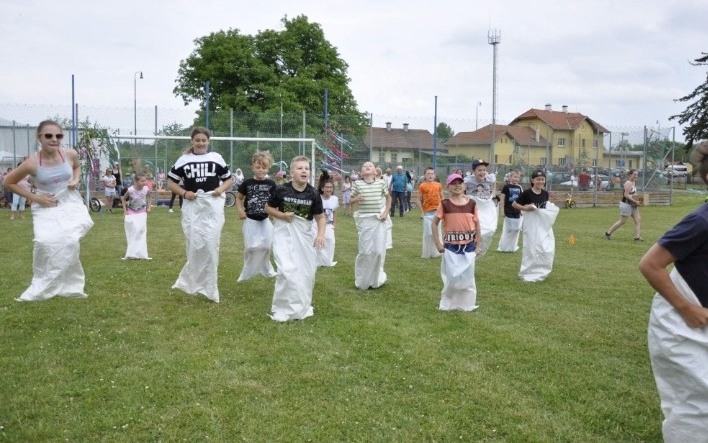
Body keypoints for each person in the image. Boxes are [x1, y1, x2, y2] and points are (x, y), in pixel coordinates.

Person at [638, 141, 708, 442]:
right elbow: (650, 264)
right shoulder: (701, 220)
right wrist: (686, 308)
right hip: (680, 324)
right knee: (696, 400)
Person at [4, 120, 93, 301]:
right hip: (45, 204)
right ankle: (45, 279)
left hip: (69, 201)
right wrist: (35, 198)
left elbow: (76, 167)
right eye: (49, 135)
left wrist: (75, 180)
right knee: (44, 241)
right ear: (40, 138)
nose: (54, 139)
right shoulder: (32, 163)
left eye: (58, 136)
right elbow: (8, 182)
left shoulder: (69, 154)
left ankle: (69, 282)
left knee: (70, 239)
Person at [167, 127, 233, 303]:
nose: (201, 143)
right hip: (192, 206)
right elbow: (171, 182)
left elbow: (229, 179)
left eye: (204, 140)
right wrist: (184, 193)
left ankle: (210, 286)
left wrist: (220, 189)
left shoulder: (216, 158)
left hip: (212, 206)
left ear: (208, 141)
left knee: (211, 244)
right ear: (192, 141)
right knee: (195, 245)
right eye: (197, 140)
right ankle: (193, 282)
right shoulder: (184, 160)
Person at [266, 156, 325, 322]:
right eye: (300, 168)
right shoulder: (281, 190)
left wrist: (320, 235)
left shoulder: (313, 194)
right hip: (284, 235)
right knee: (286, 271)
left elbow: (320, 217)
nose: (304, 170)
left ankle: (301, 305)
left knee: (306, 273)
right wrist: (282, 215)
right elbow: (268, 207)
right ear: (292, 173)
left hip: (305, 238)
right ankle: (282, 307)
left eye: (306, 168)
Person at [432, 173, 481, 311]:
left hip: (469, 246)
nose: (457, 185)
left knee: (467, 278)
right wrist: (438, 243)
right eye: (454, 183)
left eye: (460, 182)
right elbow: (434, 223)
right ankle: (449, 302)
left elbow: (477, 225)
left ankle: (466, 303)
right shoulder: (445, 204)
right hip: (451, 247)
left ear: (464, 186)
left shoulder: (472, 204)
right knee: (452, 277)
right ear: (448, 187)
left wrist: (478, 245)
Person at [236, 150, 277, 282]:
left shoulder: (271, 184)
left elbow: (275, 201)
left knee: (266, 246)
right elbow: (239, 198)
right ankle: (247, 272)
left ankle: (267, 269)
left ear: (268, 167)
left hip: (265, 219)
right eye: (258, 167)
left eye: (264, 167)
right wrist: (241, 210)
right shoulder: (247, 184)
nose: (261, 170)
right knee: (250, 247)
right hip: (251, 219)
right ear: (252, 168)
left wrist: (273, 213)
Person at [512, 170, 559, 282]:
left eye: (542, 179)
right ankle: (527, 271)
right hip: (530, 224)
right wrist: (525, 208)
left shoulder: (545, 194)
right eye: (538, 179)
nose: (540, 181)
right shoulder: (527, 193)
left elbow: (545, 208)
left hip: (542, 224)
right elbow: (515, 204)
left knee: (543, 246)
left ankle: (540, 269)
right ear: (532, 180)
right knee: (531, 247)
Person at [350, 161, 391, 290]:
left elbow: (389, 198)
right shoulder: (357, 184)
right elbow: (350, 200)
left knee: (378, 251)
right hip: (364, 220)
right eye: (364, 166)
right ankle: (362, 280)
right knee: (365, 251)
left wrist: (385, 212)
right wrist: (357, 199)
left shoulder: (381, 183)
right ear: (361, 172)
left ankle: (375, 280)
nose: (367, 167)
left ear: (375, 172)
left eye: (370, 166)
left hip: (379, 220)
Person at [464, 159, 497, 256]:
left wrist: (493, 193)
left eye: (484, 170)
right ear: (474, 171)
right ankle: (473, 248)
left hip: (487, 206)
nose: (482, 172)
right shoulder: (468, 180)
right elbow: (461, 189)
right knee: (477, 230)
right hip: (475, 207)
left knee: (491, 229)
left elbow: (494, 181)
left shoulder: (490, 178)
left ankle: (479, 248)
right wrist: (465, 197)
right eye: (479, 170)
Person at [120, 171, 152, 260]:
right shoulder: (130, 190)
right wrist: (124, 211)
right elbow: (123, 199)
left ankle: (142, 253)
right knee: (133, 232)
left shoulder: (146, 189)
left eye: (145, 181)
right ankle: (131, 252)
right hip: (131, 212)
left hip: (142, 212)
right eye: (142, 181)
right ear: (136, 181)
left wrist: (149, 207)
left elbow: (150, 197)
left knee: (141, 231)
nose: (144, 183)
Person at [604, 169, 643, 241]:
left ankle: (637, 237)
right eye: (634, 174)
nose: (636, 176)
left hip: (633, 205)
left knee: (638, 220)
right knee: (622, 221)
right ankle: (608, 233)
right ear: (630, 175)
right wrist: (635, 201)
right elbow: (626, 195)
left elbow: (632, 193)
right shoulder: (628, 183)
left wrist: (638, 199)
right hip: (626, 205)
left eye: (637, 174)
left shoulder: (633, 182)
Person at [417, 166, 444, 258]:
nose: (430, 175)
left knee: (437, 232)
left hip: (437, 212)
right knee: (428, 233)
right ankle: (427, 253)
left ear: (435, 175)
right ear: (425, 175)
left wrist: (444, 209)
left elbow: (442, 197)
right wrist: (421, 212)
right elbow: (418, 199)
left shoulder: (438, 185)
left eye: (432, 173)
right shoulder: (422, 186)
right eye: (428, 173)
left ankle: (437, 252)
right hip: (427, 212)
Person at [497, 169, 524, 252]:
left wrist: (522, 210)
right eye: (515, 177)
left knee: (516, 229)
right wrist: (502, 210)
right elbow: (502, 198)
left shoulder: (519, 187)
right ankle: (504, 247)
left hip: (517, 211)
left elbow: (522, 199)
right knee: (509, 230)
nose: (516, 179)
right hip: (508, 211)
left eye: (518, 177)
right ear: (510, 177)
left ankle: (512, 247)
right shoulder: (506, 187)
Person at [316, 172, 339, 267]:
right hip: (318, 224)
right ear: (322, 188)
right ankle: (318, 261)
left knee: (330, 241)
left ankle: (328, 261)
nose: (329, 189)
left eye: (330, 187)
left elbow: (334, 212)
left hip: (329, 224)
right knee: (319, 241)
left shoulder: (335, 199)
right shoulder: (318, 198)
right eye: (326, 187)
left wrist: (334, 224)